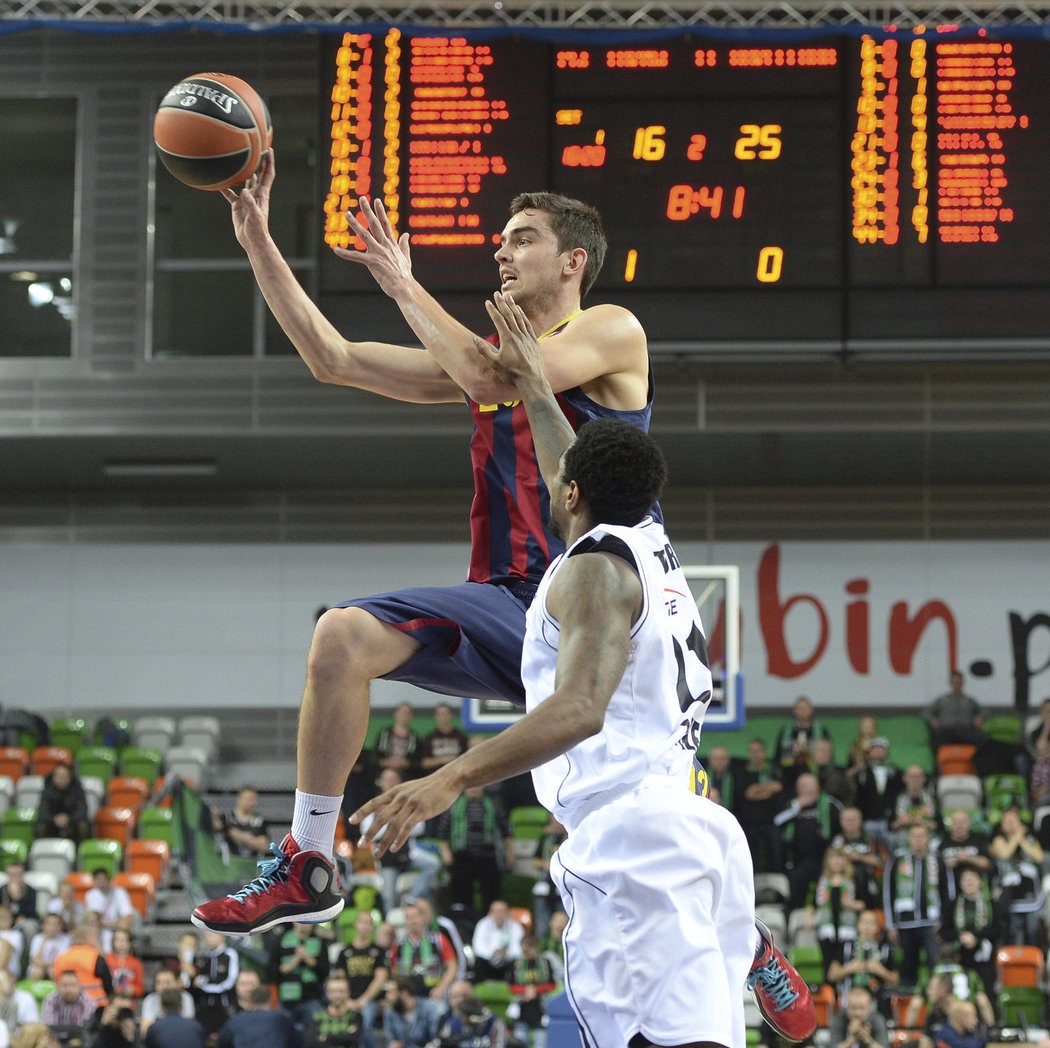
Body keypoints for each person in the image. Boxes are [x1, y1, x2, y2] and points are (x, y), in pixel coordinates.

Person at [191, 162, 654, 937]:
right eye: (501, 240)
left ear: (573, 261)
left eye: (524, 239)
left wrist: (403, 284)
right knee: (340, 635)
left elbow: (498, 373)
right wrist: (258, 242)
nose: (502, 252)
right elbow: (332, 359)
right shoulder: (483, 361)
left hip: (600, 602)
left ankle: (743, 935)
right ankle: (308, 861)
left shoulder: (612, 329)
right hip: (511, 602)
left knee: (645, 805)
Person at [348, 316, 814, 1047]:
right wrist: (534, 383)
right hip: (691, 823)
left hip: (633, 842)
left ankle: (748, 943)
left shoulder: (594, 572)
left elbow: (579, 709)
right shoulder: (644, 540)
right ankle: (749, 942)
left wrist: (451, 779)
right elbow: (579, 464)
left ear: (567, 495)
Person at [360, 769, 443, 913]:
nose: (391, 783)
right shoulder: (375, 805)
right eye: (387, 779)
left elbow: (420, 828)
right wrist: (390, 822)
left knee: (433, 863)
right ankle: (390, 925)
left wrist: (397, 821)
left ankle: (413, 897)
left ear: (400, 782)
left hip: (409, 854)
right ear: (381, 783)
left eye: (394, 779)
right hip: (387, 858)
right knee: (389, 896)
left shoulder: (408, 803)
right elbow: (367, 832)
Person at [883, 824, 952, 988]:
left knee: (934, 964)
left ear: (928, 838)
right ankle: (908, 1001)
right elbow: (888, 894)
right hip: (904, 924)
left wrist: (943, 921)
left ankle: (934, 1001)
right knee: (908, 966)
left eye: (922, 836)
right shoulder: (897, 861)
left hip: (932, 923)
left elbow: (948, 894)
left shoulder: (938, 860)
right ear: (909, 839)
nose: (919, 840)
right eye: (915, 836)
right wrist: (891, 925)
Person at [434, 786, 515, 916]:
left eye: (477, 785)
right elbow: (441, 833)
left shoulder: (493, 804)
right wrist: (446, 853)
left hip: (488, 856)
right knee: (462, 896)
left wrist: (510, 853)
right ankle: (465, 922)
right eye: (470, 786)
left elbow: (506, 831)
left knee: (491, 894)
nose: (473, 789)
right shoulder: (454, 805)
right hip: (462, 857)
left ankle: (489, 921)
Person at [774, 772, 843, 910]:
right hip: (798, 859)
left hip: (824, 858)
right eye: (801, 786)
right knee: (797, 894)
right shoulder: (791, 803)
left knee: (821, 892)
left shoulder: (829, 803)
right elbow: (777, 821)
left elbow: (843, 824)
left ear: (817, 787)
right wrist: (796, 807)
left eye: (808, 786)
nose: (804, 790)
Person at [827, 910, 899, 1017]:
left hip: (877, 1005)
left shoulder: (885, 949)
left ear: (877, 927)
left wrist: (880, 970)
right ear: (858, 925)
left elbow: (896, 980)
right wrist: (850, 968)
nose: (867, 926)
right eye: (864, 922)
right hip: (849, 1003)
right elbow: (831, 975)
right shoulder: (847, 947)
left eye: (871, 923)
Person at [386, 901, 457, 1004]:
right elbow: (393, 970)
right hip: (408, 998)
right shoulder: (398, 944)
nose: (412, 921)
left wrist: (441, 988)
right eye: (408, 918)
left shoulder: (438, 940)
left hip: (434, 994)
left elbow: (452, 966)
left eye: (415, 917)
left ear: (422, 918)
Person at [334, 910, 386, 1048]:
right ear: (356, 925)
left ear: (372, 927)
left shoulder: (379, 951)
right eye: (362, 922)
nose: (364, 926)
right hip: (347, 1000)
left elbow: (380, 979)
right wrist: (347, 1001)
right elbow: (340, 980)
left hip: (370, 1001)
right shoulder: (344, 952)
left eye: (368, 923)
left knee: (364, 1024)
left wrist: (364, 1000)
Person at [735, 738, 785, 874]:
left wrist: (758, 790)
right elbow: (748, 793)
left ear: (764, 752)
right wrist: (767, 790)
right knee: (750, 859)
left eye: (758, 751)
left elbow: (779, 786)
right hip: (749, 823)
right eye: (752, 751)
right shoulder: (742, 772)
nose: (755, 754)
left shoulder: (772, 770)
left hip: (771, 822)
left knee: (775, 857)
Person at [774, 696, 833, 792]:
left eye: (805, 708)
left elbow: (828, 757)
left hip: (817, 779)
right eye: (799, 708)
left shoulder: (821, 730)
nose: (803, 711)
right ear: (794, 711)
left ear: (811, 710)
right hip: (790, 780)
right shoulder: (786, 731)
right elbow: (778, 757)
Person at [53, 922, 114, 1009]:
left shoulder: (61, 956)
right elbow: (108, 984)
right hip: (95, 1006)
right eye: (95, 937)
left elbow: (56, 980)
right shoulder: (95, 956)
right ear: (87, 937)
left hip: (66, 1006)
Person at [218, 984, 299, 1048]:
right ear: (271, 999)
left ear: (251, 1000)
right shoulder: (282, 1019)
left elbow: (222, 1042)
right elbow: (297, 1041)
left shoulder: (236, 1020)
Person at [193, 930, 239, 1038]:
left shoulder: (230, 954)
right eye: (206, 936)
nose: (208, 938)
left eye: (211, 935)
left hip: (224, 1006)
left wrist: (205, 984)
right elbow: (198, 979)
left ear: (222, 935)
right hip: (206, 1006)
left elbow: (229, 982)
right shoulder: (205, 957)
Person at [35, 763, 90, 844]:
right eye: (58, 777)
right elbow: (43, 811)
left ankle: (81, 851)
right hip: (52, 824)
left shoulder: (77, 789)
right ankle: (42, 849)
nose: (61, 779)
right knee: (41, 825)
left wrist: (69, 819)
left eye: (64, 776)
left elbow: (82, 810)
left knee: (83, 825)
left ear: (70, 777)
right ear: (53, 777)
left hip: (72, 823)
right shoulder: (47, 790)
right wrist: (54, 819)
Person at [471, 900, 525, 982]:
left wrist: (507, 954)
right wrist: (493, 952)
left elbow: (520, 947)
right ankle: (476, 987)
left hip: (508, 961)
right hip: (488, 961)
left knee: (518, 962)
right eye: (496, 912)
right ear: (490, 913)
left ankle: (515, 987)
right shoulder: (483, 924)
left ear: (508, 913)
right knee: (479, 961)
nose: (499, 915)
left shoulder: (515, 926)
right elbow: (478, 947)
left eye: (502, 912)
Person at [84, 870, 135, 955]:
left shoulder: (119, 892)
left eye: (103, 879)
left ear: (109, 880)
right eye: (98, 879)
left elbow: (128, 917)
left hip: (115, 930)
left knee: (124, 927)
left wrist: (107, 924)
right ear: (94, 881)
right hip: (97, 930)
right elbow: (91, 918)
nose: (101, 882)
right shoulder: (90, 895)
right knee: (91, 926)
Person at [381, 977, 438, 1048]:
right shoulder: (389, 1013)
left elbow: (435, 1036)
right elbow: (390, 1040)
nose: (387, 996)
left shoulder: (428, 1007)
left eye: (390, 992)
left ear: (404, 993)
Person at [305, 974, 359, 1047]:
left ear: (348, 992)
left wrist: (325, 1037)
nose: (337, 995)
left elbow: (352, 1039)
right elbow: (310, 1043)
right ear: (327, 993)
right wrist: (344, 1035)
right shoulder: (316, 1017)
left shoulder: (355, 1016)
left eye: (341, 991)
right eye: (333, 991)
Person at [139, 970, 195, 1035]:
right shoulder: (150, 999)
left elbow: (189, 1028)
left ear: (177, 983)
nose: (163, 986)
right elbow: (145, 1031)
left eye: (168, 982)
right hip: (158, 1039)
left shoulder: (185, 997)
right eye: (158, 983)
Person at [419, 703, 469, 772]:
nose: (443, 717)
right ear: (436, 716)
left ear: (451, 715)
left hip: (456, 775)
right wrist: (441, 760)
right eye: (440, 714)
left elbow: (467, 760)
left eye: (445, 714)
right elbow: (424, 763)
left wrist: (454, 760)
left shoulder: (461, 737)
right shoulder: (429, 737)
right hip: (435, 776)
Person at [223, 788, 270, 859]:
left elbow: (263, 845)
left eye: (254, 800)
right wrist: (254, 841)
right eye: (249, 799)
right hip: (231, 865)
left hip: (253, 865)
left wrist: (240, 836)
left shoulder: (259, 820)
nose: (253, 803)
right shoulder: (227, 818)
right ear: (239, 799)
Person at [104, 928, 146, 1000]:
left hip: (128, 1001)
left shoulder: (136, 963)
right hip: (109, 999)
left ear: (129, 943)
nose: (120, 943)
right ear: (112, 942)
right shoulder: (106, 960)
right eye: (117, 940)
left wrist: (133, 990)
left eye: (123, 940)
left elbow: (141, 988)